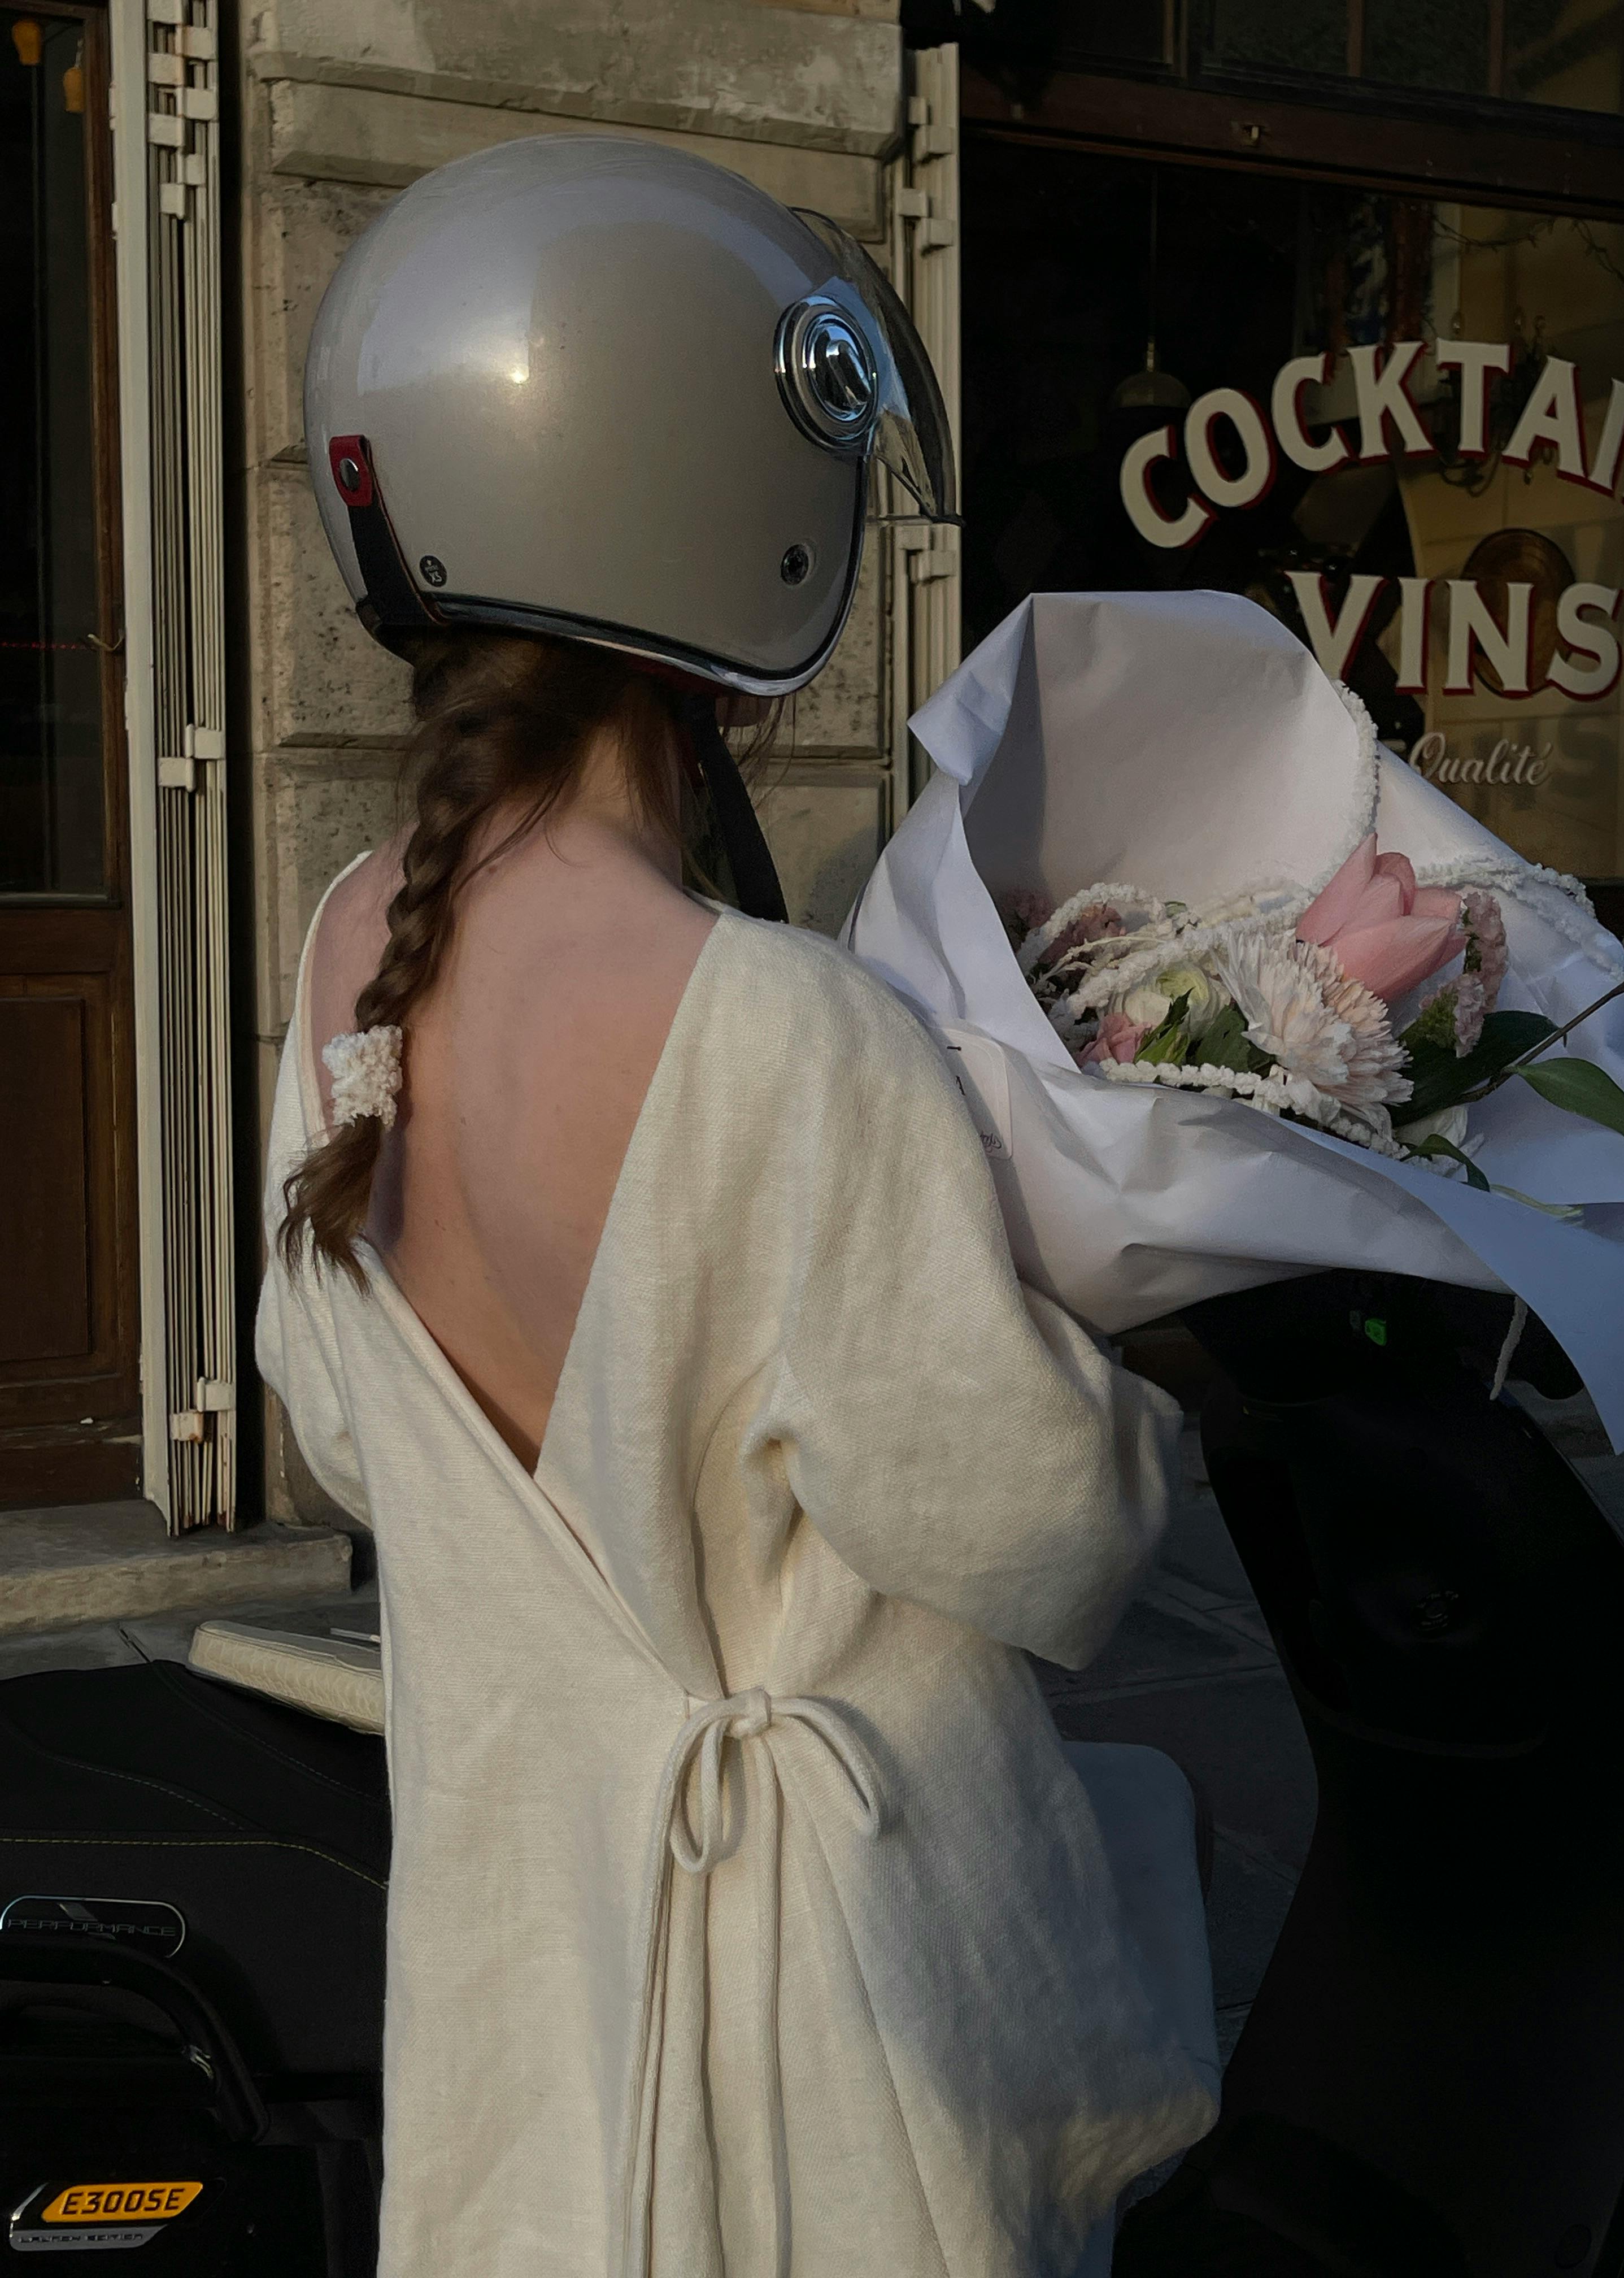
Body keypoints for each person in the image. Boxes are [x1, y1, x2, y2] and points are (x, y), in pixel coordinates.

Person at [257, 135, 1218, 2278]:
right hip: (808, 2069)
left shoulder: (349, 947)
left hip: (522, 1996)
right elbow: (1042, 1535)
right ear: (725, 515)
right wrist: (1133, 1359)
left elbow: (343, 1431)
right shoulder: (783, 1027)